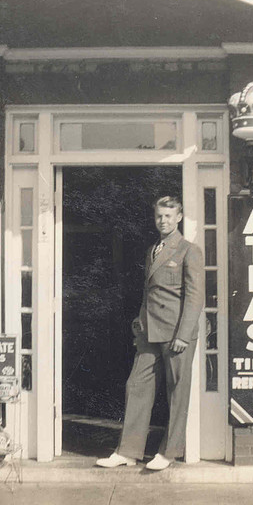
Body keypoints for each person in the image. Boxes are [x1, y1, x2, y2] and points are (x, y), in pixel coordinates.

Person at [96, 196, 205, 471]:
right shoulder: (153, 250)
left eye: (168, 216)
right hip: (150, 331)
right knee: (136, 385)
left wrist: (183, 334)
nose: (163, 221)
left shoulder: (189, 251)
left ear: (179, 217)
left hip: (176, 333)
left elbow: (195, 297)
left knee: (177, 393)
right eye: (159, 216)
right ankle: (128, 451)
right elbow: (149, 292)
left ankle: (169, 453)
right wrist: (140, 321)